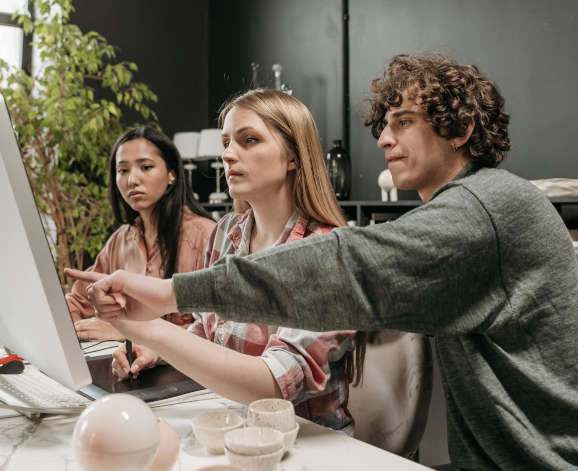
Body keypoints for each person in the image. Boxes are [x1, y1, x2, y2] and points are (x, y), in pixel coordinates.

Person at [68, 54, 578, 471]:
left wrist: (168, 298)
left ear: (462, 128)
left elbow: (344, 267)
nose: (382, 139)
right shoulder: (466, 210)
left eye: (403, 122)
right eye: (383, 125)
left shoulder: (485, 209)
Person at [70, 89, 366, 434]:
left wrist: (149, 329)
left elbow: (274, 387)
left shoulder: (328, 252)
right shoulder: (227, 232)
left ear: (294, 157)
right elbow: (207, 330)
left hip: (305, 441)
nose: (228, 155)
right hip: (230, 423)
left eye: (249, 140)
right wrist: (155, 351)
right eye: (226, 142)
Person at [65, 126, 215, 340]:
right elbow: (78, 302)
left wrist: (128, 332)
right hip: (120, 364)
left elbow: (216, 330)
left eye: (145, 167)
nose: (132, 180)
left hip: (182, 371)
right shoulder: (120, 240)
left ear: (172, 174)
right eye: (123, 170)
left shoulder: (205, 237)